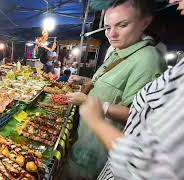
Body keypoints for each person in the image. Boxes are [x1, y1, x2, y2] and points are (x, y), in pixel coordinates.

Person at [61, 0, 168, 179]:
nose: (112, 34)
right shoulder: (118, 52)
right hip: (85, 141)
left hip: (103, 152)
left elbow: (141, 116)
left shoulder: (148, 60)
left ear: (145, 23)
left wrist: (89, 102)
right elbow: (107, 86)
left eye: (122, 25)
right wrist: (84, 79)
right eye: (107, 27)